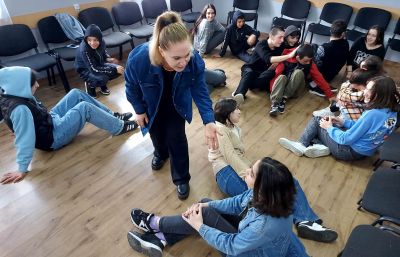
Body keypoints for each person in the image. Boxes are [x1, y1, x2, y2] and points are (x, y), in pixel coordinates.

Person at [208, 98, 338, 243]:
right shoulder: (219, 129)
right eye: (235, 110)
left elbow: (238, 155)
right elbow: (230, 155)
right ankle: (282, 235)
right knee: (258, 200)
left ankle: (306, 222)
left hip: (244, 168)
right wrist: (247, 174)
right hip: (226, 172)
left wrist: (252, 173)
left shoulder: (233, 126)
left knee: (288, 182)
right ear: (227, 114)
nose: (239, 111)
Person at [127, 157, 309, 257]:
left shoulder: (265, 226)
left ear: (263, 188)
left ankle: (155, 224)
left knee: (204, 217)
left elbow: (231, 246)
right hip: (253, 241)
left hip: (242, 253)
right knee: (206, 205)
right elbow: (236, 203)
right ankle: (161, 238)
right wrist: (205, 204)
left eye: (251, 174)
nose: (246, 172)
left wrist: (199, 225)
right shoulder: (267, 196)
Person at [124, 11, 218, 200]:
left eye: (187, 54)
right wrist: (139, 110)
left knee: (177, 138)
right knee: (156, 133)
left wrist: (209, 121)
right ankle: (160, 153)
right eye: (176, 58)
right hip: (152, 106)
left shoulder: (194, 61)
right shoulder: (139, 59)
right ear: (161, 50)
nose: (184, 62)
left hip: (177, 105)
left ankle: (181, 177)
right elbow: (131, 86)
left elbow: (200, 91)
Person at [0, 66, 138, 184]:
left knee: (75, 93)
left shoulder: (12, 93)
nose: (37, 85)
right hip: (52, 137)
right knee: (84, 108)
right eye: (33, 83)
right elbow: (25, 140)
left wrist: (19, 128)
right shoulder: (20, 109)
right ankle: (119, 127)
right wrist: (21, 168)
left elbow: (22, 123)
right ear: (21, 86)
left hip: (49, 121)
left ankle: (112, 117)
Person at [279, 76, 399, 160]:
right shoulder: (391, 112)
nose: (365, 92)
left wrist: (330, 128)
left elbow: (345, 139)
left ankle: (301, 145)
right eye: (367, 87)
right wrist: (343, 122)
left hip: (348, 151)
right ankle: (321, 146)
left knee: (318, 120)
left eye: (370, 90)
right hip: (365, 152)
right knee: (328, 124)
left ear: (381, 94)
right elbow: (366, 129)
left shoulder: (372, 114)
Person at [232, 26, 296, 104]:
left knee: (271, 73)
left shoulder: (280, 46)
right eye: (280, 37)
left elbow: (293, 45)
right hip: (250, 69)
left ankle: (246, 84)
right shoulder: (261, 44)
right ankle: (238, 94)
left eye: (283, 37)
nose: (282, 40)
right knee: (249, 73)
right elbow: (268, 59)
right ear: (272, 36)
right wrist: (289, 56)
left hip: (262, 74)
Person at [269, 44, 335, 116]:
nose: (308, 63)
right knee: (281, 77)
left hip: (295, 90)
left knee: (298, 72)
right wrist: (274, 89)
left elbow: (320, 79)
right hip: (281, 87)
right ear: (297, 58)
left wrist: (330, 95)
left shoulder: (311, 64)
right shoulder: (286, 59)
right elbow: (276, 75)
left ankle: (283, 99)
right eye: (306, 61)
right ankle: (275, 104)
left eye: (310, 60)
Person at [312, 55, 383, 118]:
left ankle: (338, 116)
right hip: (353, 100)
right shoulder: (363, 76)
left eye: (364, 68)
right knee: (343, 95)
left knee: (344, 100)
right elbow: (347, 84)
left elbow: (365, 100)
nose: (360, 70)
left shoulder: (375, 83)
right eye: (360, 67)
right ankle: (334, 110)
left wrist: (346, 99)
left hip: (362, 110)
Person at [75, 24, 125, 98]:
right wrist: (113, 69)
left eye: (95, 40)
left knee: (120, 69)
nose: (92, 43)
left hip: (98, 64)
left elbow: (103, 53)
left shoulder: (102, 42)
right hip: (86, 69)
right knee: (104, 77)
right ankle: (90, 85)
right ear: (86, 39)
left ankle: (102, 84)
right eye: (89, 40)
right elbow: (93, 69)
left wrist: (108, 58)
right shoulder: (84, 50)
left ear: (100, 39)